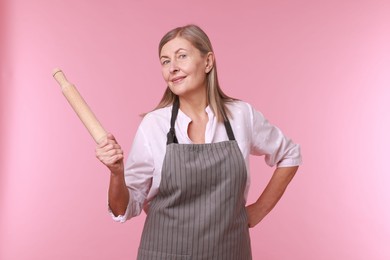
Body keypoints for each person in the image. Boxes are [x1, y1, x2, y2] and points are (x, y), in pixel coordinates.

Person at [96, 24, 301, 260]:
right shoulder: (155, 125)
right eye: (164, 61)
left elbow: (290, 154)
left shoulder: (241, 115)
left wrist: (258, 211)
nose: (172, 68)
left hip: (229, 252)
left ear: (208, 62)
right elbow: (124, 208)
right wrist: (116, 173)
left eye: (181, 56)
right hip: (164, 252)